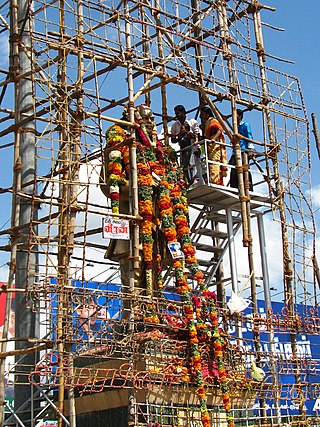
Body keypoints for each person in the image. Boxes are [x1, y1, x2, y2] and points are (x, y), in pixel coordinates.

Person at [171, 105, 201, 185]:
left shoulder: (192, 122)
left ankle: (195, 180)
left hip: (192, 146)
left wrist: (187, 132)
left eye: (178, 113)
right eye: (176, 114)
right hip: (183, 148)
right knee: (184, 166)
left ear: (184, 113)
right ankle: (189, 182)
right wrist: (179, 135)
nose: (177, 115)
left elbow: (198, 136)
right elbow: (173, 140)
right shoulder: (175, 125)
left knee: (192, 163)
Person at [199, 106, 227, 185]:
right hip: (210, 146)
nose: (201, 116)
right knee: (211, 164)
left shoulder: (213, 120)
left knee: (215, 163)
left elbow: (220, 129)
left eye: (202, 114)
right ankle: (213, 181)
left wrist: (214, 139)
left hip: (215, 146)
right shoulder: (208, 121)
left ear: (207, 114)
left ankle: (216, 182)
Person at [229, 109, 255, 191]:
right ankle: (234, 187)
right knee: (234, 170)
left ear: (239, 116)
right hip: (236, 151)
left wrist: (250, 149)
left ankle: (248, 188)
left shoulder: (245, 125)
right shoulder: (235, 127)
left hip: (243, 150)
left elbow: (249, 137)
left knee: (244, 169)